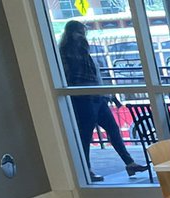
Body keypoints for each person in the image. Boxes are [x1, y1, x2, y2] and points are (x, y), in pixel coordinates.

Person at [58, 20, 148, 182]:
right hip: (85, 98)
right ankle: (87, 170)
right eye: (81, 32)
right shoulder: (73, 50)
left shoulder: (70, 51)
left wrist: (107, 94)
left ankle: (128, 163)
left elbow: (90, 76)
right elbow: (85, 76)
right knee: (87, 135)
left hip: (94, 97)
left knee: (109, 130)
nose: (83, 36)